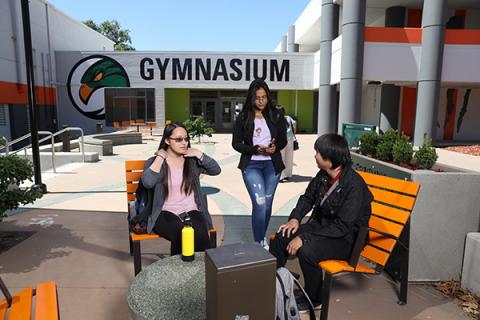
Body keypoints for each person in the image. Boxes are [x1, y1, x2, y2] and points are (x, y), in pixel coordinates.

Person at [269, 133, 373, 311]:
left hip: (347, 239)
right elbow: (308, 197)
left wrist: (305, 238)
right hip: (323, 228)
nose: (315, 155)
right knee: (282, 235)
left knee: (308, 251)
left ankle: (315, 298)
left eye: (318, 152)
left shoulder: (354, 185)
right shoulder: (323, 175)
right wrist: (295, 218)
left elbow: (343, 227)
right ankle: (270, 282)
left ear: (330, 159)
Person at [141, 123, 221, 255]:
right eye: (178, 139)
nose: (184, 143)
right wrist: (160, 157)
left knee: (201, 233)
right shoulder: (155, 162)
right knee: (181, 234)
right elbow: (148, 182)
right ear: (167, 140)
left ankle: (201, 271)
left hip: (191, 209)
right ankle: (179, 272)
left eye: (186, 139)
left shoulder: (192, 161)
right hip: (164, 213)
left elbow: (216, 170)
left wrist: (198, 153)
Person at [232, 79, 287, 249]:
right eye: (257, 97)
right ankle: (258, 242)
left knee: (268, 204)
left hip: (272, 165)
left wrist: (275, 148)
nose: (261, 101)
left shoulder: (276, 115)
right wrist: (255, 149)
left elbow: (284, 140)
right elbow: (236, 144)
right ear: (251, 98)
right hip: (252, 166)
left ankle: (262, 238)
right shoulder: (243, 117)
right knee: (260, 203)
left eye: (264, 97)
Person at [279, 108, 296, 182]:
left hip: (281, 140)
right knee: (289, 157)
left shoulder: (276, 118)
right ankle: (287, 175)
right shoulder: (288, 117)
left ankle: (281, 176)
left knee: (280, 158)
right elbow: (294, 125)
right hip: (290, 139)